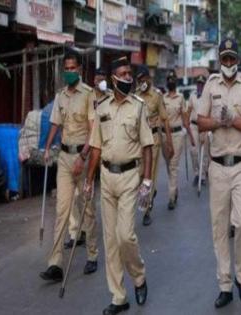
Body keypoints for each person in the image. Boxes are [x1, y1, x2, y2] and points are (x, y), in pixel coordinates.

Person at [84, 56, 153, 315]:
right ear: (112, 79)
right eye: (122, 74)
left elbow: (147, 145)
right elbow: (95, 148)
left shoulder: (138, 106)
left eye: (129, 74)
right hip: (107, 176)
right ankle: (119, 297)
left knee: (126, 235)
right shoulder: (102, 108)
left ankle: (139, 276)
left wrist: (147, 180)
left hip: (129, 177)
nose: (127, 78)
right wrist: (89, 181)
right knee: (111, 241)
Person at [197, 38, 241, 308]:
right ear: (219, 61)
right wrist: (217, 121)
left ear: (238, 61)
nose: (229, 64)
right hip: (218, 167)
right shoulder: (211, 85)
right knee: (219, 227)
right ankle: (225, 284)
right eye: (225, 59)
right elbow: (200, 121)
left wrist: (233, 120)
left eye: (233, 59)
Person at [40, 50, 99, 282]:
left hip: (82, 158)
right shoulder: (61, 96)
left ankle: (92, 254)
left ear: (80, 70)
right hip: (64, 158)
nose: (70, 72)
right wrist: (46, 148)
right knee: (62, 210)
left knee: (87, 208)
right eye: (67, 68)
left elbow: (94, 129)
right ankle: (55, 264)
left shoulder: (88, 94)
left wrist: (83, 157)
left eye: (74, 68)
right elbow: (55, 123)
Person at [65, 68, 110, 249]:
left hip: (105, 147)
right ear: (94, 80)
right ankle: (78, 231)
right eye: (98, 79)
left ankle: (107, 227)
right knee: (78, 194)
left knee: (104, 189)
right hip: (88, 145)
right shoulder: (88, 96)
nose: (100, 82)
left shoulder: (112, 97)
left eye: (103, 79)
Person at [136, 65, 174, 226]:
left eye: (143, 79)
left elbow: (164, 119)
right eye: (139, 80)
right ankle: (151, 194)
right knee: (138, 175)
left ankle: (146, 210)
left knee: (148, 175)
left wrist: (169, 142)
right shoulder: (135, 96)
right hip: (138, 141)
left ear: (149, 79)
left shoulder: (157, 96)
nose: (142, 82)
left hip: (153, 140)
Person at [162, 70, 191, 210]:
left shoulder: (180, 98)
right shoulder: (162, 98)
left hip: (177, 135)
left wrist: (190, 134)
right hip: (164, 136)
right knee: (168, 165)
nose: (171, 82)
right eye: (169, 80)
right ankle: (175, 189)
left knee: (173, 165)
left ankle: (171, 197)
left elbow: (185, 117)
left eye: (173, 80)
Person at [186, 74, 209, 186]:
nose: (200, 85)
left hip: (204, 126)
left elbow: (210, 114)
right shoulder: (192, 96)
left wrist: (207, 130)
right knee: (194, 151)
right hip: (194, 126)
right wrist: (187, 127)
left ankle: (203, 175)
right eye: (198, 83)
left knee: (204, 152)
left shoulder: (208, 96)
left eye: (202, 84)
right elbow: (188, 112)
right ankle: (196, 173)